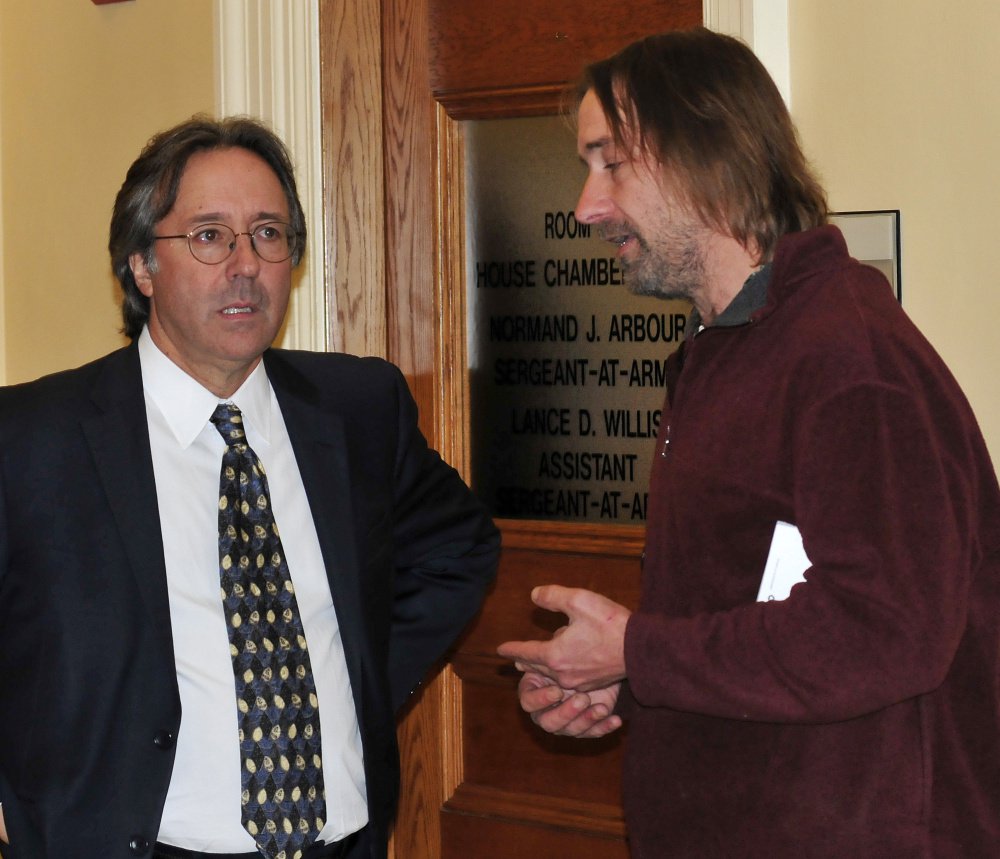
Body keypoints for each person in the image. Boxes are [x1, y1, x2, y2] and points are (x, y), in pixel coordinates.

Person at [498, 27, 1000, 857]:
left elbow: (887, 628)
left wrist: (639, 650)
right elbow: (749, 610)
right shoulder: (723, 349)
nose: (586, 204)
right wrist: (621, 678)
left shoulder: (850, 358)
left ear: (710, 155)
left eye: (610, 161)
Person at [0, 116, 499, 859]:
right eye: (209, 236)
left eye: (268, 234)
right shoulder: (33, 436)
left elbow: (458, 547)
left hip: (339, 841)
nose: (245, 264)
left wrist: (357, 680)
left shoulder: (357, 406)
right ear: (141, 264)